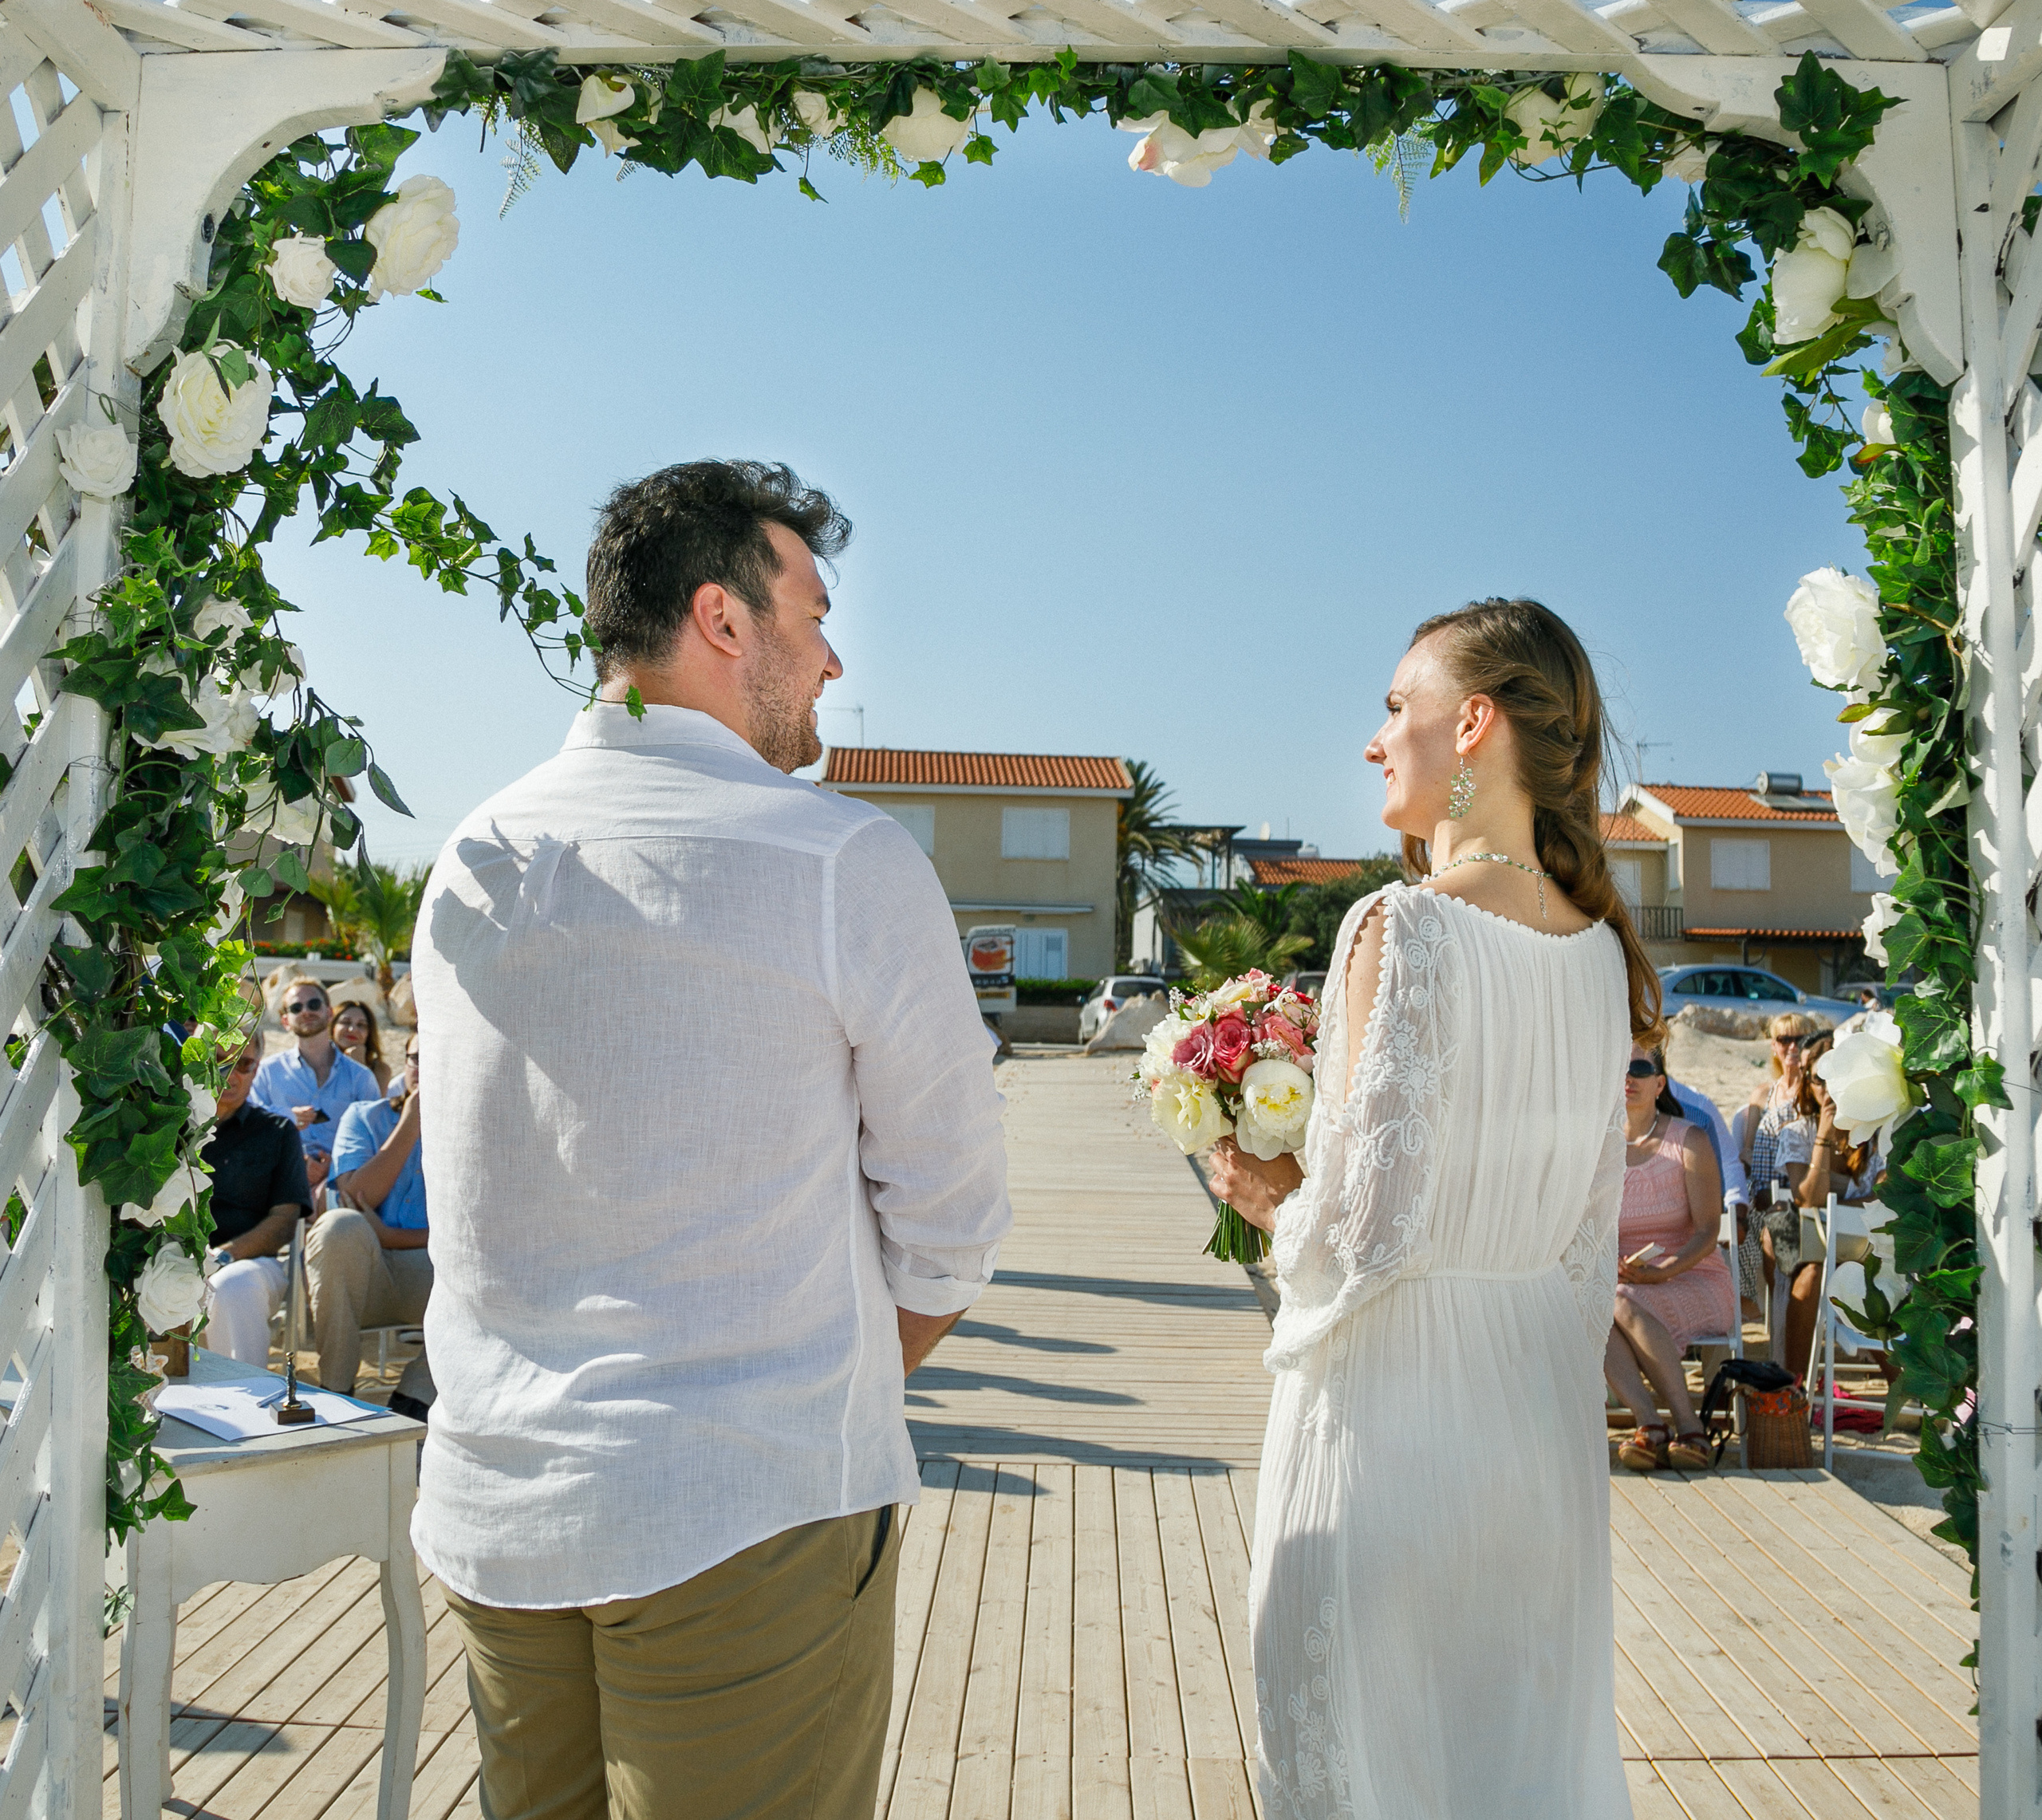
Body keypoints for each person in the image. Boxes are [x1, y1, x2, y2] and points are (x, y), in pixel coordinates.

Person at [410, 460, 1011, 1820]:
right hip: (746, 1521)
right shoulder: (836, 859)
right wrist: (813, 1386)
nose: (835, 653)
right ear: (722, 620)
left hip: (501, 1513)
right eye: (811, 609)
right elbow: (955, 1217)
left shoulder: (471, 853)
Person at [1209, 597, 1641, 1817]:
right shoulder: (1601, 949)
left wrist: (1262, 1191)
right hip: (1532, 1447)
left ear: (1475, 720)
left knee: (1360, 1768)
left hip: (1388, 1430)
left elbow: (1359, 1237)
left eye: (1398, 705)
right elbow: (1582, 1246)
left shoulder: (1403, 924)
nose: (1375, 737)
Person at [1606, 1046, 1737, 1472]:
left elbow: (1707, 1234)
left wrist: (1658, 1273)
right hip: (1628, 1285)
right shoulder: (1600, 1150)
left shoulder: (1690, 1139)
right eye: (1619, 1066)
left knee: (1619, 1302)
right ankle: (1651, 1424)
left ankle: (1687, 1425)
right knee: (1591, 1305)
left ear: (1660, 1083)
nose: (1629, 1076)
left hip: (1695, 1276)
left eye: (1640, 1068)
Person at [308, 1030, 432, 1417]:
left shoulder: (476, 1129)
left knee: (494, 1266)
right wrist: (411, 1122)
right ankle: (338, 1390)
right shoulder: (364, 1116)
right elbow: (357, 1195)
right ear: (405, 1063)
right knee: (339, 1227)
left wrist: (390, 1236)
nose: (423, 1068)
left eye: (435, 1058)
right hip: (367, 1272)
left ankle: (415, 1396)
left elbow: (476, 1232)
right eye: (416, 1058)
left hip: (432, 1275)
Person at [1772, 1031, 1882, 1377]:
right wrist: (1824, 1134)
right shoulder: (1798, 1132)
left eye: (1836, 1076)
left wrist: (1832, 1214)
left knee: (1871, 1281)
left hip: (1869, 1249)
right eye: (1818, 1078)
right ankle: (1794, 1391)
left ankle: (1909, 1398)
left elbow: (1886, 1195)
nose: (1827, 1087)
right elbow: (1808, 1198)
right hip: (1817, 1250)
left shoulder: (1877, 1132)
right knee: (1814, 1276)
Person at [197, 1037, 313, 1365]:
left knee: (232, 1287)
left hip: (249, 1264)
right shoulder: (167, 1126)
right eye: (219, 1060)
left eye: (243, 1064)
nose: (230, 1074)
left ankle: (241, 1407)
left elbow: (283, 1223)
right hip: (168, 1263)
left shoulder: (277, 1132)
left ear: (256, 1068)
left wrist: (219, 1259)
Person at [252, 977, 381, 1206]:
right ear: (285, 1021)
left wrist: (337, 1163)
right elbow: (249, 1124)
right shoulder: (267, 1072)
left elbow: (376, 1137)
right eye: (296, 1007)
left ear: (329, 1013)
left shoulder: (361, 1077)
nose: (306, 1012)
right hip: (279, 1175)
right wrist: (290, 1120)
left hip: (341, 1180)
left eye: (314, 1005)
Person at [332, 997, 392, 1093]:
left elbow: (371, 1106)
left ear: (369, 1033)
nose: (352, 1029)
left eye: (361, 1025)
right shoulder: (319, 1063)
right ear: (333, 1028)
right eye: (346, 1022)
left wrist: (359, 1066)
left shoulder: (380, 1070)